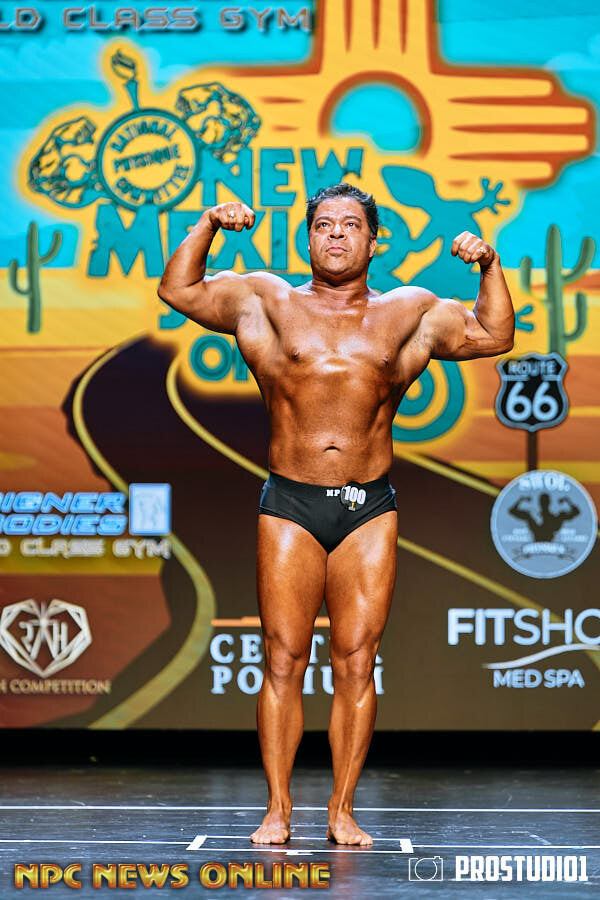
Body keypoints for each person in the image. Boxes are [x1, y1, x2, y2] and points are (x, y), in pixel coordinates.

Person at [158, 183, 515, 846]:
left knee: (356, 661)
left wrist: (489, 266)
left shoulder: (407, 311)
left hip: (367, 508)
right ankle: (278, 808)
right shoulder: (268, 300)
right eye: (323, 225)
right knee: (283, 659)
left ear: (374, 242)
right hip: (291, 504)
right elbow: (178, 289)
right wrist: (208, 222)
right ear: (308, 238)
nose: (336, 235)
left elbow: (494, 334)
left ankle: (342, 809)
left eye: (351, 225)